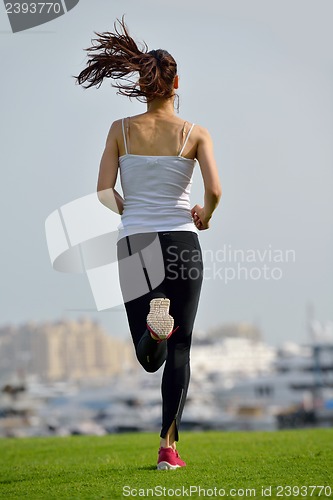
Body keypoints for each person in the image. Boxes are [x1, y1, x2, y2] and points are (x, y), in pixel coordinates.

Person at [74, 17, 222, 470]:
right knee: (181, 348)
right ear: (177, 84)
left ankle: (153, 331)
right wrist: (205, 214)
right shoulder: (194, 132)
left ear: (143, 87)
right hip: (182, 241)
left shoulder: (120, 130)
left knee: (149, 354)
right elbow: (215, 191)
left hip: (136, 241)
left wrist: (129, 210)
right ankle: (167, 449)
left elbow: (103, 191)